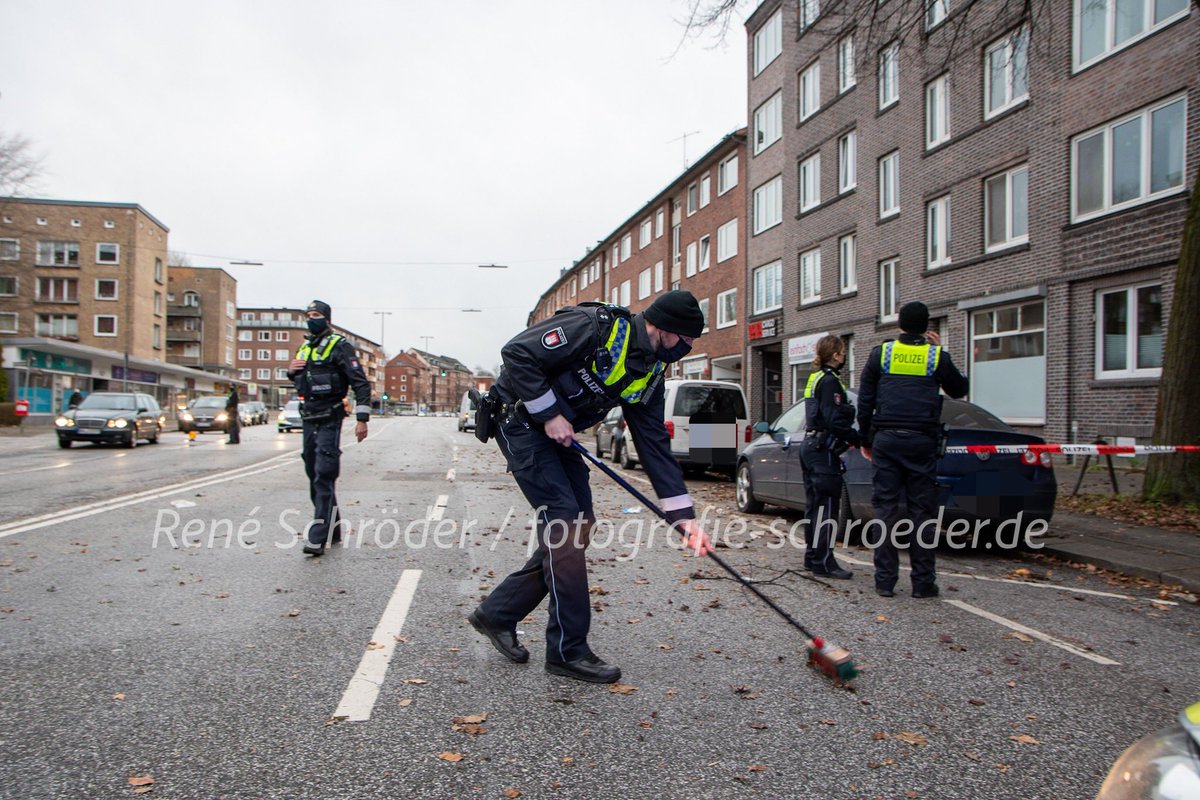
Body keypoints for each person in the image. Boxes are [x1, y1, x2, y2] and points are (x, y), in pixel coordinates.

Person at [469, 290, 714, 684]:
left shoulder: (650, 372)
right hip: (519, 420)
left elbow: (653, 444)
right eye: (686, 339)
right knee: (564, 522)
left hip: (556, 433)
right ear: (665, 329)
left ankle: (498, 613)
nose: (687, 347)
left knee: (580, 524)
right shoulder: (593, 328)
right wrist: (548, 413)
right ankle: (568, 649)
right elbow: (517, 352)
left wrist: (682, 515)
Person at [856, 302, 968, 598]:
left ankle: (884, 581)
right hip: (922, 440)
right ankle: (922, 583)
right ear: (926, 326)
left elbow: (865, 400)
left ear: (900, 325)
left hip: (887, 439)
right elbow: (959, 389)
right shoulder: (935, 356)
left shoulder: (882, 353)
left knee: (886, 509)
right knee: (922, 511)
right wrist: (942, 352)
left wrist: (866, 439)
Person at [286, 300, 372, 557]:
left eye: (316, 315)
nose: (312, 319)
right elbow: (301, 378)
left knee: (324, 473)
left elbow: (361, 384)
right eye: (309, 315)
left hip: (330, 416)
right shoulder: (305, 347)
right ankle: (333, 529)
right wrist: (290, 372)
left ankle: (318, 535)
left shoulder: (340, 346)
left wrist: (362, 419)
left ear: (327, 319)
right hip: (308, 416)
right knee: (313, 472)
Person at [799, 335, 860, 580]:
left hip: (811, 445)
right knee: (827, 507)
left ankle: (812, 557)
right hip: (823, 450)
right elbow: (834, 420)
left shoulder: (816, 378)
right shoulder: (830, 382)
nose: (844, 356)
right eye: (843, 352)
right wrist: (858, 439)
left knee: (814, 505)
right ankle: (824, 561)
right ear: (835, 355)